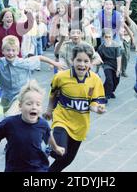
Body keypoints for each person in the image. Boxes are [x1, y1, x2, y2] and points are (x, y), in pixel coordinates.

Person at [44, 43, 106, 172]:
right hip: (62, 120)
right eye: (78, 60)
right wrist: (49, 110)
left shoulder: (95, 80)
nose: (82, 64)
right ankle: (46, 148)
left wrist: (98, 109)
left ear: (91, 63)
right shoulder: (61, 77)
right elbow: (53, 95)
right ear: (72, 61)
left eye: (86, 61)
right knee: (59, 151)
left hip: (80, 126)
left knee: (67, 159)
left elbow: (94, 103)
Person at [0, 35, 63, 115]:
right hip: (6, 96)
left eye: (13, 50)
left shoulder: (23, 62)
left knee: (10, 115)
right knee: (7, 117)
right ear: (3, 51)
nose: (11, 53)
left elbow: (39, 57)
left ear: (18, 52)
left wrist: (55, 63)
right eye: (8, 50)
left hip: (21, 95)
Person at [97, 29, 122, 101]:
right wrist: (97, 70)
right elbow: (99, 59)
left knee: (116, 80)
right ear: (103, 37)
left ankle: (110, 91)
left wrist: (118, 69)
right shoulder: (101, 47)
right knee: (109, 80)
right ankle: (106, 96)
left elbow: (118, 57)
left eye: (109, 37)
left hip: (115, 64)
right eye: (106, 37)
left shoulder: (116, 45)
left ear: (112, 37)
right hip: (107, 65)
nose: (108, 38)